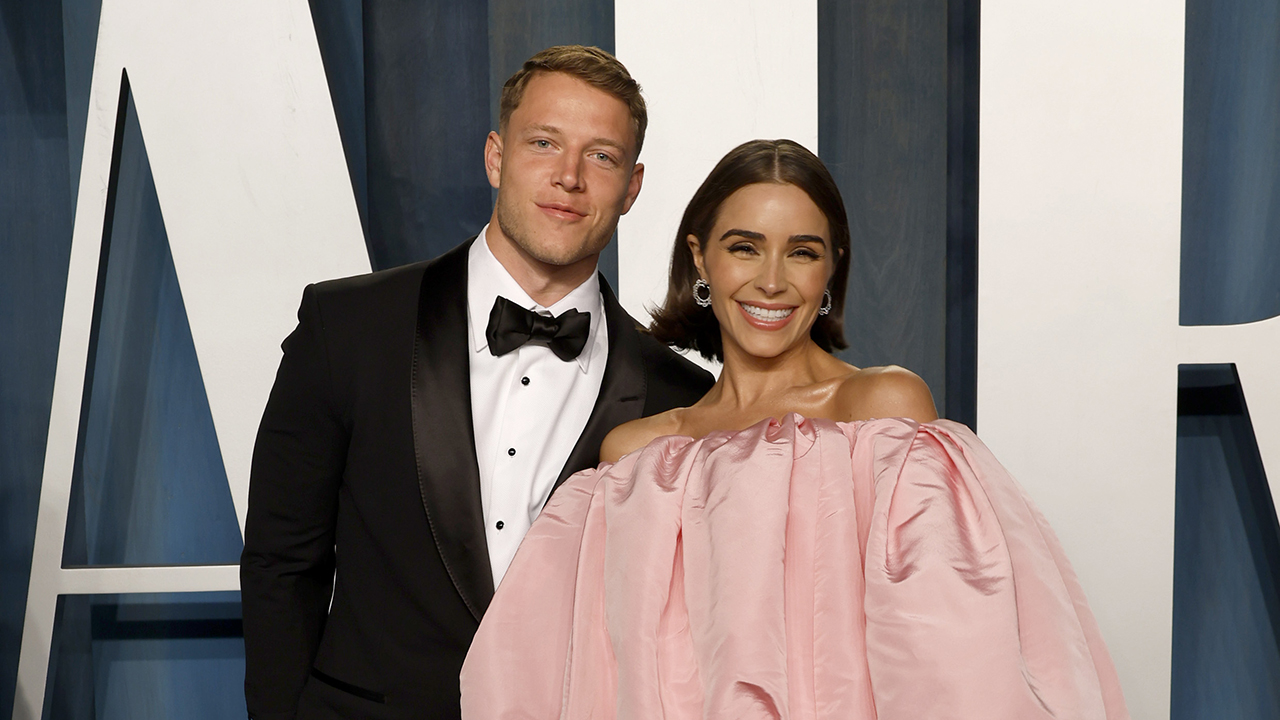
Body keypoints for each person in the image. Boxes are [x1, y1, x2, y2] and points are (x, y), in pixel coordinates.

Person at [460, 139, 1130, 719]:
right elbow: (598, 682)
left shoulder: (880, 410)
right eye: (744, 247)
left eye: (802, 253)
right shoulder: (638, 457)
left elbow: (952, 659)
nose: (772, 281)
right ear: (701, 259)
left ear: (832, 265)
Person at [240, 46, 714, 720]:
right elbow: (281, 565)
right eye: (543, 143)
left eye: (601, 157)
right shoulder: (348, 326)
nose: (569, 177)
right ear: (496, 156)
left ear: (632, 187)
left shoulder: (681, 395)